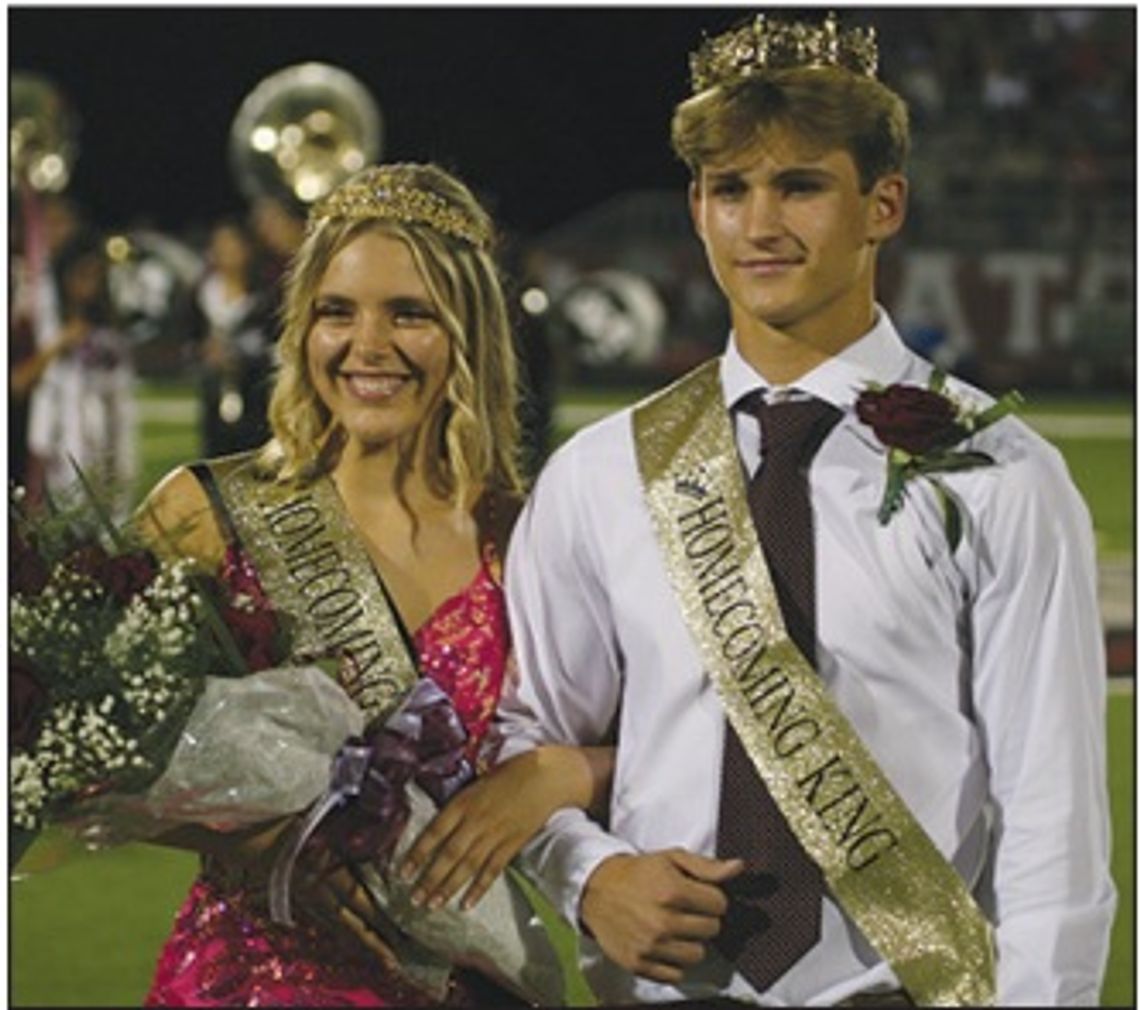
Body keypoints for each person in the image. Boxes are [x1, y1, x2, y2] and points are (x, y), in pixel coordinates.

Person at [498, 11, 1115, 1007]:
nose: (761, 223)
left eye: (800, 185)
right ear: (696, 209)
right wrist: (590, 876)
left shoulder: (999, 473)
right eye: (730, 189)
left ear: (884, 204)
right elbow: (521, 735)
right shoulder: (601, 473)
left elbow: (1052, 818)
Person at [135, 162, 611, 1007]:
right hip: (246, 983)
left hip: (457, 983)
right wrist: (258, 841)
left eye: (410, 315)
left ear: (469, 334)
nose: (367, 347)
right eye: (336, 312)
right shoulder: (207, 514)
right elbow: (69, 740)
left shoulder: (531, 538)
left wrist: (562, 774)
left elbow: (661, 748)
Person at [24, 227, 137, 519]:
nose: (90, 286)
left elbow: (121, 391)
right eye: (81, 276)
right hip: (59, 441)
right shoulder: (45, 324)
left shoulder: (109, 328)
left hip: (104, 436)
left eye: (96, 276)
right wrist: (58, 344)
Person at [189, 217, 276, 456]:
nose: (226, 252)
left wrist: (241, 355)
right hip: (215, 390)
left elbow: (275, 345)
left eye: (232, 244)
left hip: (255, 392)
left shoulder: (264, 295)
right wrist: (204, 353)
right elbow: (189, 340)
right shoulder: (202, 293)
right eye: (219, 245)